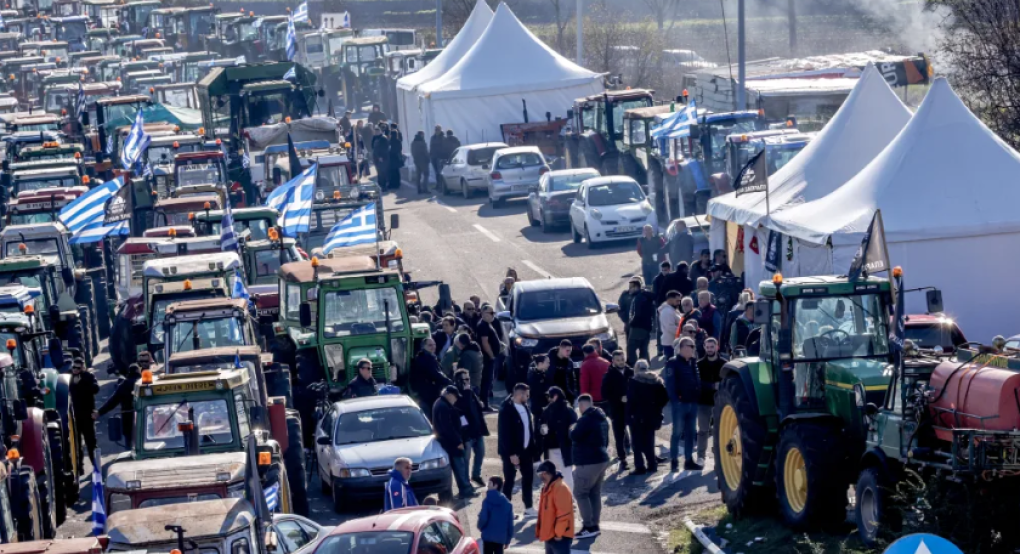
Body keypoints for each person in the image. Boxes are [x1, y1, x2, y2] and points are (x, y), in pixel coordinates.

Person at [570, 395, 609, 539]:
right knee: (594, 493)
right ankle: (595, 524)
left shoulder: (585, 419)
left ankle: (588, 526)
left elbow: (574, 436)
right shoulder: (602, 418)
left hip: (588, 461)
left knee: (580, 493)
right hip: (601, 459)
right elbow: (606, 440)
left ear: (581, 406)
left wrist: (571, 429)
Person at [663, 337, 704, 472]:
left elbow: (697, 380)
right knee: (677, 432)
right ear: (682, 348)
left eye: (693, 346)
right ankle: (674, 461)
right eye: (690, 346)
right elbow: (669, 384)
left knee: (690, 433)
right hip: (680, 404)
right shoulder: (673, 362)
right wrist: (676, 401)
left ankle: (688, 460)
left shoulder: (692, 362)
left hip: (693, 403)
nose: (693, 348)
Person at [498, 383, 538, 516]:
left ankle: (528, 507)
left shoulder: (525, 406)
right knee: (509, 480)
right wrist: (511, 453)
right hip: (511, 453)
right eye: (527, 395)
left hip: (526, 451)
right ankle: (506, 511)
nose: (528, 397)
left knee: (528, 478)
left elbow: (529, 429)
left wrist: (533, 450)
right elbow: (504, 434)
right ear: (520, 394)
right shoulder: (506, 409)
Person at [626, 360, 668, 475]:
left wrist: (628, 415)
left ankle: (640, 467)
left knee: (636, 443)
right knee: (649, 442)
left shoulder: (634, 382)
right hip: (652, 416)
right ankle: (652, 465)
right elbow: (665, 398)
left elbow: (631, 401)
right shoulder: (656, 381)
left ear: (636, 368)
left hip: (638, 417)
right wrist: (657, 407)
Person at [433, 385, 475, 498]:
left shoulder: (440, 403)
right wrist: (458, 442)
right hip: (451, 444)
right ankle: (465, 491)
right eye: (455, 396)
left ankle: (464, 490)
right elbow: (448, 427)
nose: (456, 399)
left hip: (448, 442)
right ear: (448, 394)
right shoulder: (443, 406)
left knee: (458, 466)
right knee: (459, 466)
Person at [454, 370, 489, 486]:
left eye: (468, 379)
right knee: (466, 458)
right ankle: (466, 480)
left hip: (477, 429)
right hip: (466, 432)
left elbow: (478, 406)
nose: (468, 382)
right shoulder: (457, 393)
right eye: (465, 379)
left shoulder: (471, 391)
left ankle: (476, 475)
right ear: (458, 381)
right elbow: (463, 408)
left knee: (480, 453)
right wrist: (467, 393)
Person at [540, 386, 576, 491]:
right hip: (552, 449)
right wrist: (542, 428)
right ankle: (555, 498)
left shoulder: (568, 410)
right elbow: (541, 424)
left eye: (549, 396)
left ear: (555, 396)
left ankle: (569, 497)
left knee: (567, 477)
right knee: (552, 477)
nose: (548, 398)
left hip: (564, 449)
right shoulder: (547, 410)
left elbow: (575, 427)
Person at [600, 351, 632, 470]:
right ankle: (622, 459)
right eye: (618, 360)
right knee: (619, 435)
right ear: (613, 361)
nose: (621, 362)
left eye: (622, 359)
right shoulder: (608, 375)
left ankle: (645, 458)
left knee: (639, 433)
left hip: (631, 408)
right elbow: (604, 394)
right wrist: (619, 398)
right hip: (617, 409)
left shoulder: (630, 372)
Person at [98, 363, 142, 448]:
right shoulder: (143, 383)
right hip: (144, 419)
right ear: (138, 370)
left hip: (127, 420)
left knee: (130, 445)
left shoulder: (123, 385)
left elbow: (112, 402)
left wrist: (99, 412)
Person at [536, 460, 575, 554]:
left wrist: (558, 534)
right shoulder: (548, 487)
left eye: (540, 474)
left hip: (559, 537)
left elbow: (564, 514)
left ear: (545, 473)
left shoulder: (560, 488)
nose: (540, 477)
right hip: (550, 535)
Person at [697, 338, 725, 463]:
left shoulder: (724, 364)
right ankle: (701, 456)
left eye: (712, 347)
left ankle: (718, 458)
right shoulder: (699, 364)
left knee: (719, 432)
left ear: (717, 347)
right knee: (703, 430)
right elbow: (697, 383)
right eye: (707, 347)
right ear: (704, 347)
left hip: (720, 403)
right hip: (704, 402)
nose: (709, 349)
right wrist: (712, 385)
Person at [411, 339, 452, 421]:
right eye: (430, 345)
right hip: (428, 393)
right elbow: (435, 374)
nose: (433, 347)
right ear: (423, 347)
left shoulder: (429, 357)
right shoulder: (424, 358)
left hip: (428, 392)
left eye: (434, 344)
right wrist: (449, 382)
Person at [69, 357, 100, 464]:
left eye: (78, 368)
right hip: (74, 416)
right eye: (74, 367)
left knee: (91, 443)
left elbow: (96, 389)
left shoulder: (88, 376)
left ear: (83, 368)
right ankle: (79, 467)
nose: (75, 370)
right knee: (76, 445)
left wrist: (81, 384)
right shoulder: (69, 377)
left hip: (87, 415)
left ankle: (96, 466)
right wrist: (74, 384)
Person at [477, 476, 514, 554]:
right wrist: (508, 540)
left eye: (490, 483)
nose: (487, 485)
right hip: (500, 538)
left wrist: (480, 527)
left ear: (496, 485)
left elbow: (483, 518)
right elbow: (510, 524)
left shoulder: (486, 501)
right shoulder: (508, 504)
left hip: (488, 537)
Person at [476, 305, 502, 410]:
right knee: (486, 381)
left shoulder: (487, 324)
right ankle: (485, 404)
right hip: (487, 358)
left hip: (489, 358)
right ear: (483, 313)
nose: (493, 315)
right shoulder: (483, 325)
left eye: (493, 313)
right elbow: (485, 343)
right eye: (491, 313)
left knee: (488, 381)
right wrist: (492, 356)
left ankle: (485, 403)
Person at [627, 278, 656, 365]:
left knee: (631, 349)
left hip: (637, 328)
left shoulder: (638, 298)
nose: (629, 289)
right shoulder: (647, 296)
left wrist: (631, 323)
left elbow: (637, 314)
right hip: (647, 327)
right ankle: (645, 366)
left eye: (631, 287)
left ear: (636, 287)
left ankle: (634, 367)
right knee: (644, 349)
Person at [527, 354, 553, 421]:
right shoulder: (533, 375)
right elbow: (537, 391)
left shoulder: (545, 373)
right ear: (540, 363)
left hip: (546, 404)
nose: (549, 364)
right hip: (538, 406)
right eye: (547, 362)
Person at [658, 291, 682, 359]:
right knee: (671, 362)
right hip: (670, 343)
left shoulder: (672, 309)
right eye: (677, 301)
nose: (679, 303)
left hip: (673, 341)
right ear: (670, 299)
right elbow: (670, 327)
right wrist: (683, 332)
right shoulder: (667, 311)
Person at [430, 125, 447, 190]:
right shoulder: (433, 137)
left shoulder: (443, 137)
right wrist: (430, 155)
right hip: (433, 156)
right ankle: (438, 185)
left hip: (440, 157)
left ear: (440, 130)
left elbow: (445, 147)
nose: (437, 131)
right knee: (436, 172)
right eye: (436, 129)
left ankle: (441, 186)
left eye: (438, 129)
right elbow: (431, 146)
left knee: (440, 172)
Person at [388, 125, 404, 190]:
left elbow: (389, 149)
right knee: (396, 171)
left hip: (392, 158)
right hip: (396, 158)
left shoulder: (390, 141)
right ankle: (397, 183)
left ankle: (393, 184)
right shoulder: (398, 141)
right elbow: (400, 149)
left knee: (392, 171)